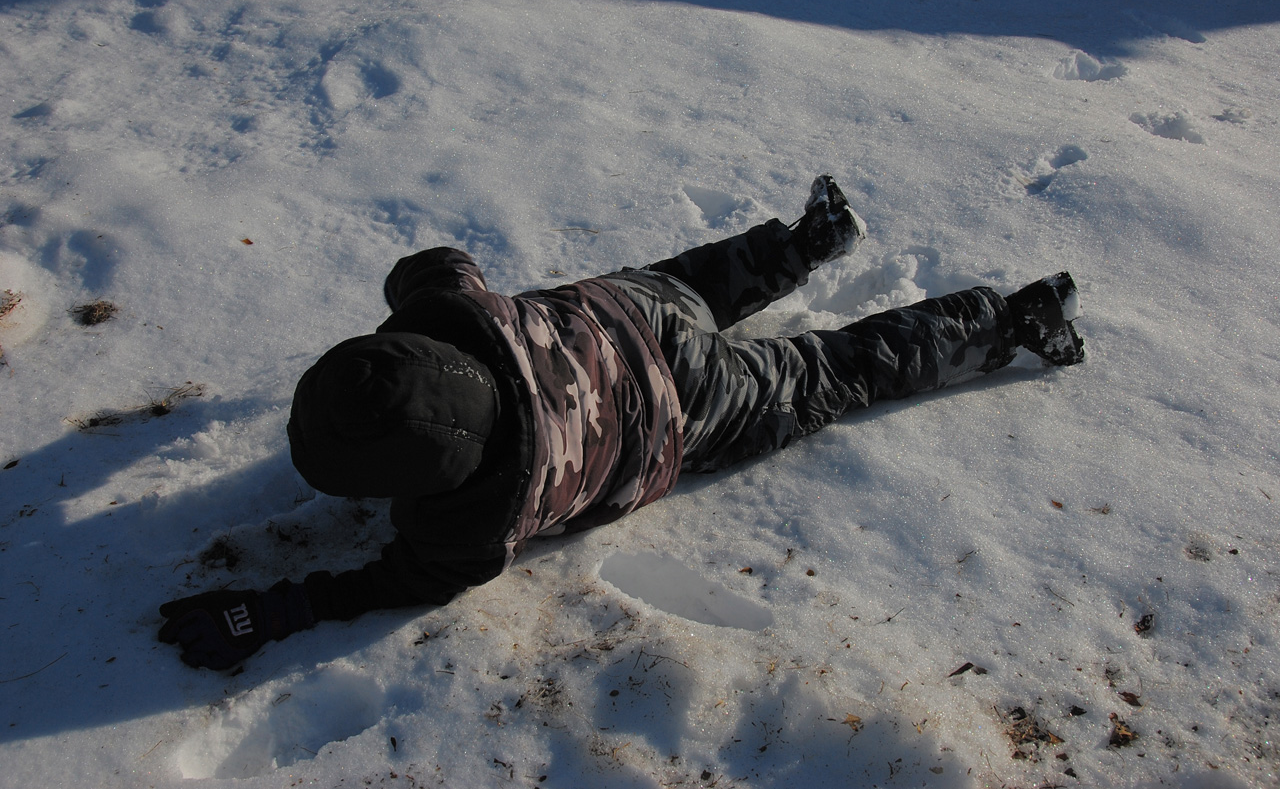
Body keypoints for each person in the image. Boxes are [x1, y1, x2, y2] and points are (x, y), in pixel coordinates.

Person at [158, 175, 1084, 670]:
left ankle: (1009, 321)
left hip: (687, 409)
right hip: (633, 310)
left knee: (829, 372)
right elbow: (431, 262)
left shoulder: (472, 521)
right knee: (700, 278)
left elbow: (390, 582)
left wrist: (281, 608)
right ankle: (806, 242)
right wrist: (404, 313)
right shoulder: (453, 309)